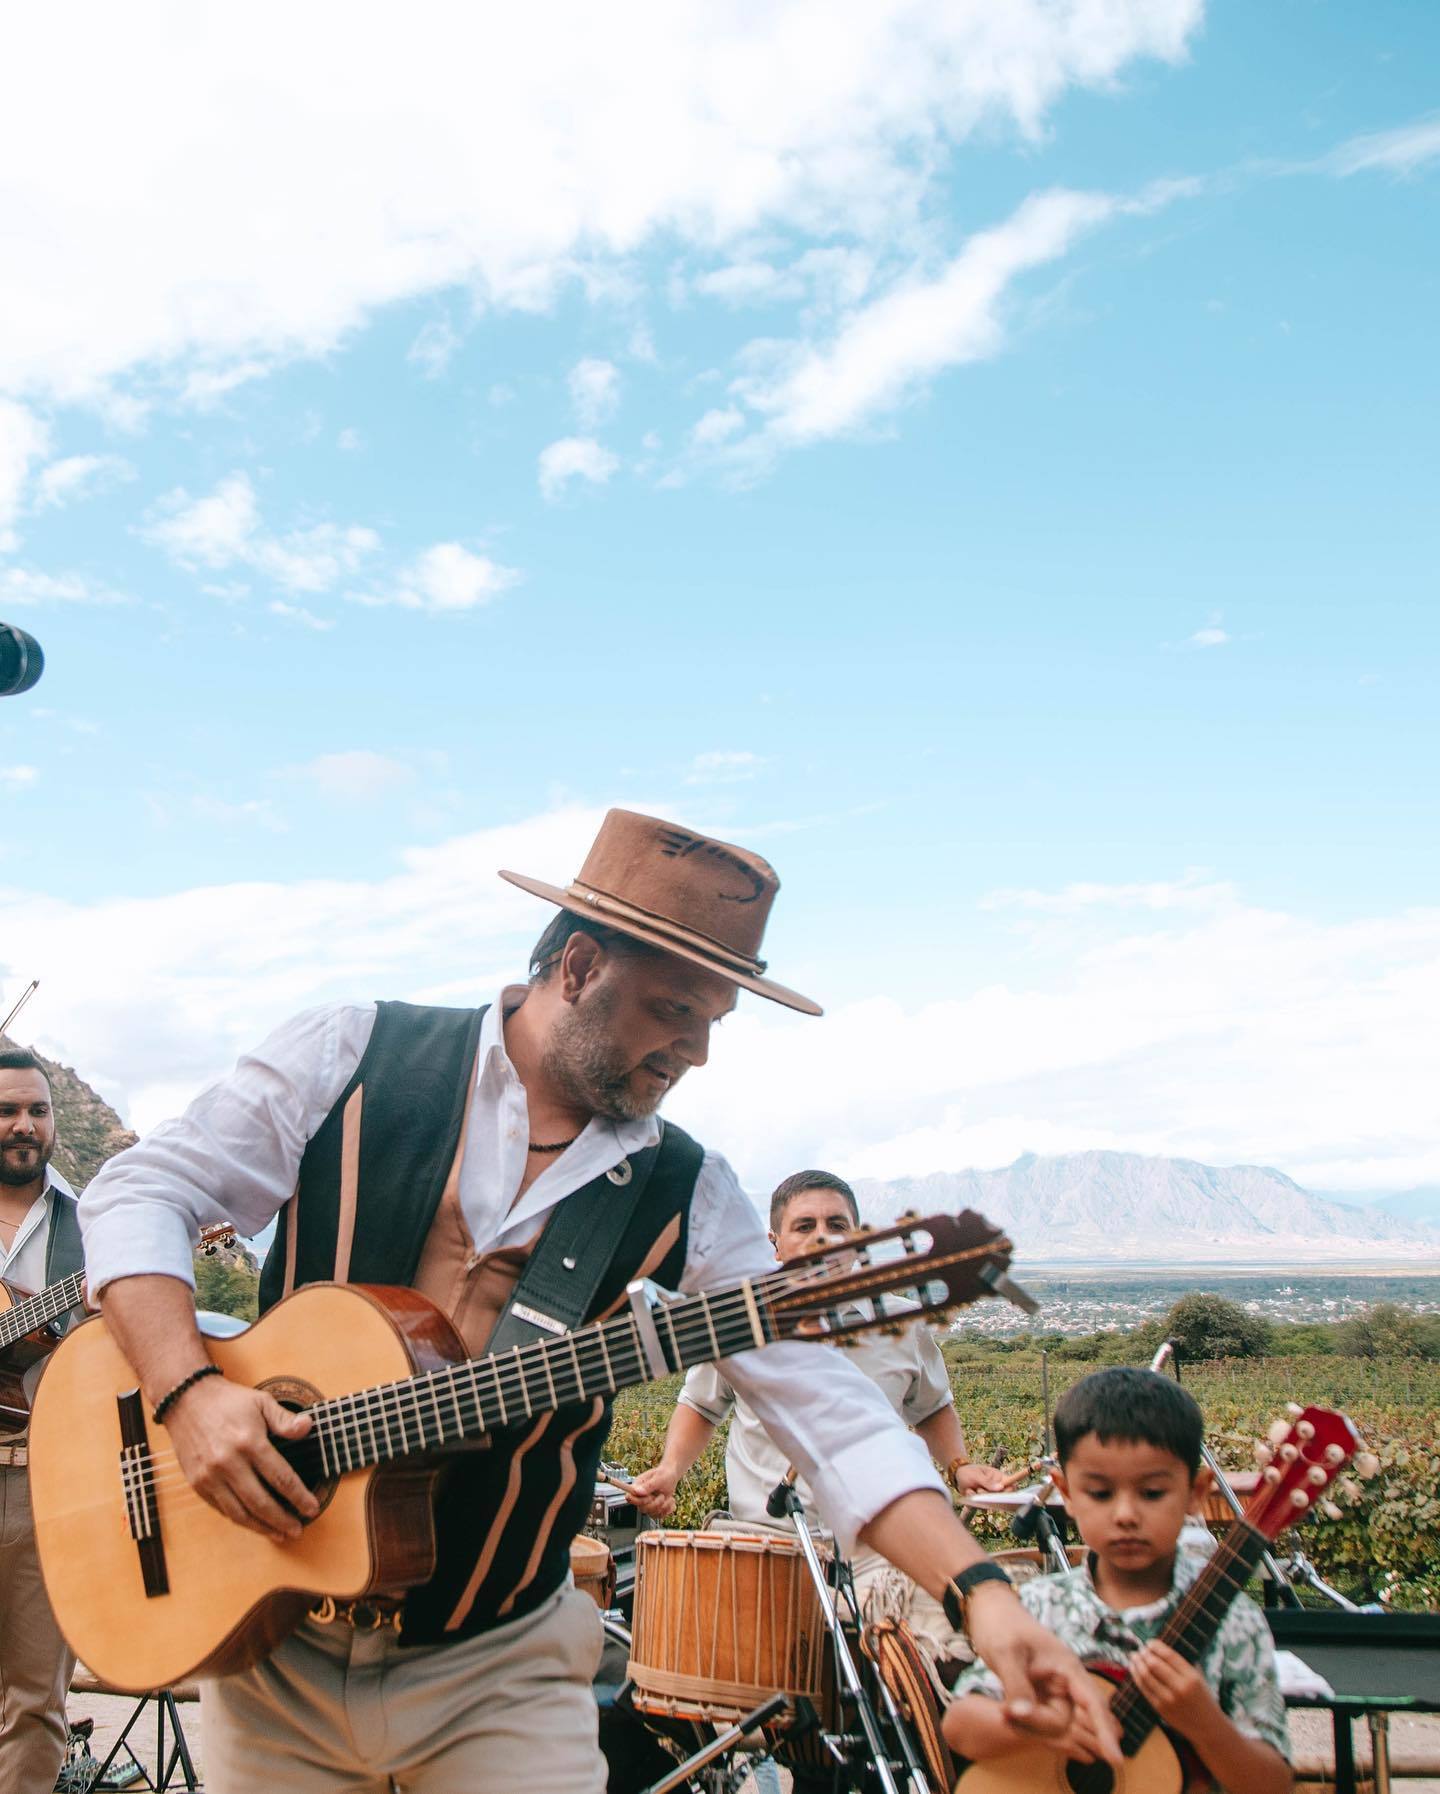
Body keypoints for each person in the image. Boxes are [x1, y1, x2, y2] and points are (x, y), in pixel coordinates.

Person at [78, 810, 1120, 1793]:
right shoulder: (355, 1052)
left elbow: (834, 1416)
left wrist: (981, 1594)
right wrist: (186, 1395)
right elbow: (140, 1191)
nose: (698, 1052)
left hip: (499, 1661)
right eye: (674, 1011)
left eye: (714, 1022)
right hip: (274, 1646)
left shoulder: (689, 1191)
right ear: (576, 966)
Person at [629, 1167, 1008, 1673]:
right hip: (768, 1551)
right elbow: (700, 1405)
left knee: (943, 1665)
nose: (823, 1236)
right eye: (804, 1226)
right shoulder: (737, 1321)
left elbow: (932, 1406)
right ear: (775, 1243)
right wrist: (671, 1469)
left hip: (881, 1556)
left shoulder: (902, 1321)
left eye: (837, 1224)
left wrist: (960, 1465)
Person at [944, 1366, 1292, 1793]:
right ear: (1066, 1493)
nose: (1126, 1514)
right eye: (1101, 1493)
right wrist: (1038, 1727)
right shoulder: (1039, 1609)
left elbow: (1273, 1784)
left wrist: (1206, 1725)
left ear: (1196, 1493)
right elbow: (960, 1726)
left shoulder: (1234, 1624)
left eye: (1151, 1493)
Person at [0, 1047, 82, 1794]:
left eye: (37, 1110)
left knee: (35, 1699)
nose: (24, 1125)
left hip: (42, 1481)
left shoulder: (94, 1226)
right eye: (7, 1111)